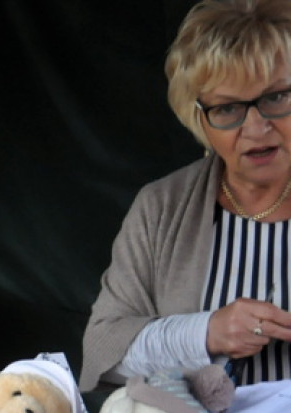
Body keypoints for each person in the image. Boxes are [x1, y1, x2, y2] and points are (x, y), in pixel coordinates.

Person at [80, 0, 291, 393]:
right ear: (199, 117)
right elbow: (102, 353)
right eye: (228, 108)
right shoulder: (161, 207)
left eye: (276, 97)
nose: (257, 127)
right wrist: (206, 332)